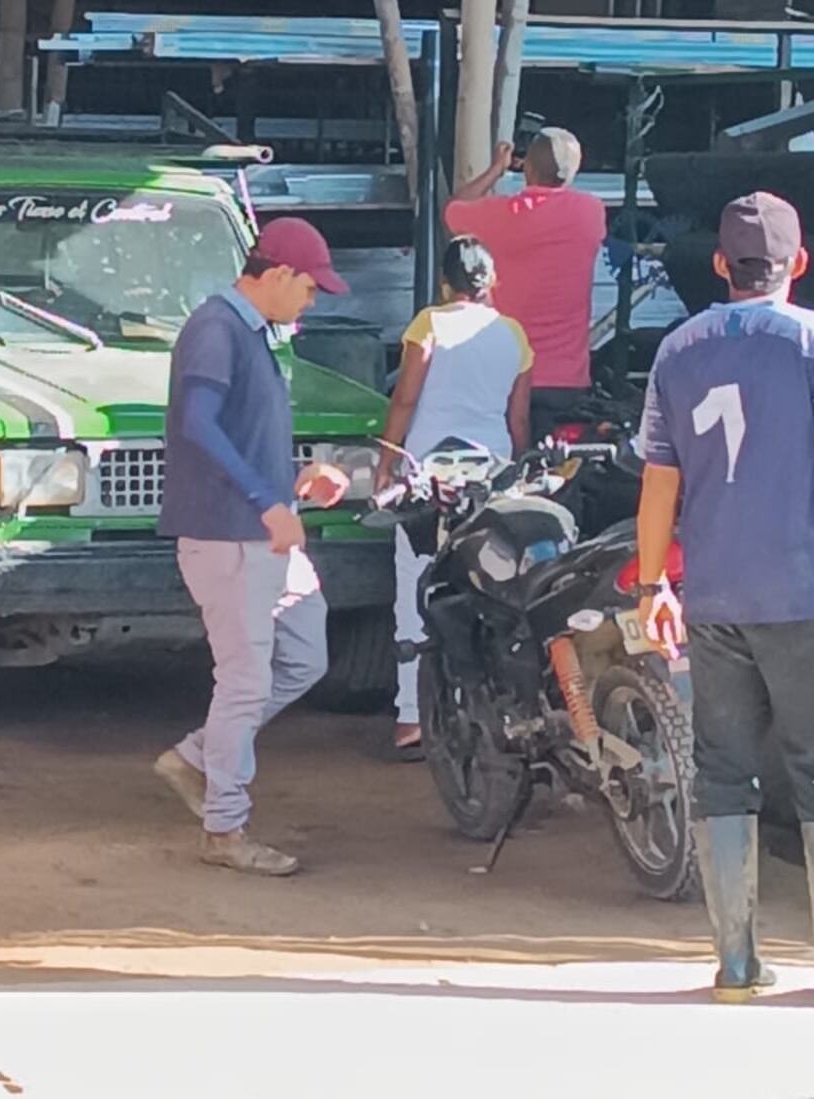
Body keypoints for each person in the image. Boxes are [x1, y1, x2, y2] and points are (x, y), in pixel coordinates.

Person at [635, 191, 814, 1006]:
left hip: (716, 600)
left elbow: (660, 481)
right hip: (813, 596)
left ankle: (734, 965)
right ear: (799, 263)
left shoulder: (677, 349)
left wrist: (655, 580)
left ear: (721, 265)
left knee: (724, 774)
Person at [154, 216, 351, 878]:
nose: (313, 300)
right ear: (281, 274)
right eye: (310, 287)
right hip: (231, 534)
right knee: (245, 678)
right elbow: (197, 424)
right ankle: (225, 826)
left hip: (256, 532)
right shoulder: (218, 328)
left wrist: (291, 483)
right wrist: (267, 501)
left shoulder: (246, 332)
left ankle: (199, 759)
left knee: (302, 655)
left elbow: (228, 429)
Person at [375, 236, 533, 754]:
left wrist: (386, 460)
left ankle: (411, 717)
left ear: (446, 284)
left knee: (416, 581)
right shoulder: (513, 334)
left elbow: (406, 397)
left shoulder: (430, 324)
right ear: (492, 283)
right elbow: (518, 419)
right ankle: (496, 702)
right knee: (488, 579)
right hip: (490, 467)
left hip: (429, 469)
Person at [445, 128, 604, 439]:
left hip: (505, 376)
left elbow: (451, 211)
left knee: (507, 475)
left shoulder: (502, 214)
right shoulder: (591, 212)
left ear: (526, 167)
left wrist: (496, 169)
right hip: (568, 380)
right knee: (564, 476)